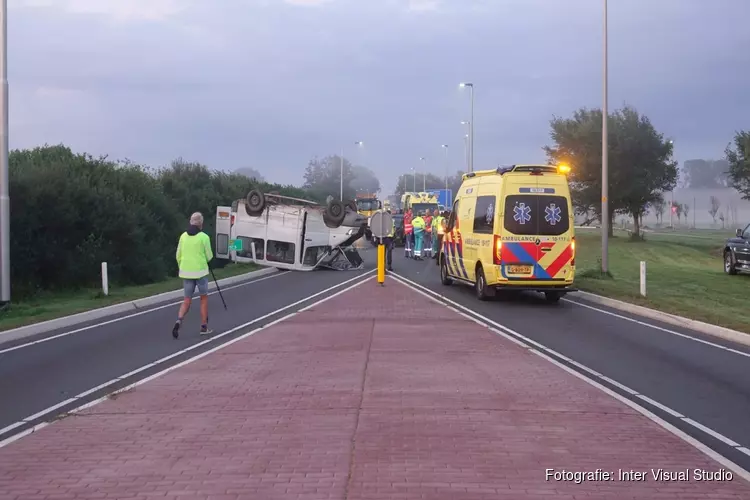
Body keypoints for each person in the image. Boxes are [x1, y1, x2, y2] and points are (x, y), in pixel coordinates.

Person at [172, 212, 214, 339]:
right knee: (203, 299)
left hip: (186, 272)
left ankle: (179, 319)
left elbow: (178, 255)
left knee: (186, 300)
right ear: (201, 223)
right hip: (200, 272)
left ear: (191, 222)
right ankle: (203, 327)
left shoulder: (183, 236)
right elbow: (209, 256)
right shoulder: (204, 237)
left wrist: (182, 267)